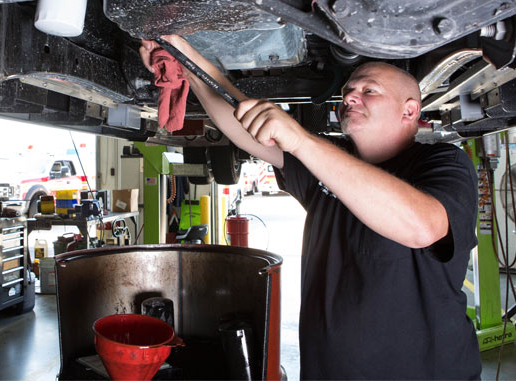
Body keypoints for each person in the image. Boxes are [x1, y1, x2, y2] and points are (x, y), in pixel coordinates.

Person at [140, 35, 481, 380]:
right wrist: (187, 62)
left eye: (369, 91)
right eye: (349, 90)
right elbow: (246, 123)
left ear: (409, 110)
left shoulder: (442, 162)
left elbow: (423, 227)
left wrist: (301, 139)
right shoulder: (327, 162)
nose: (350, 96)